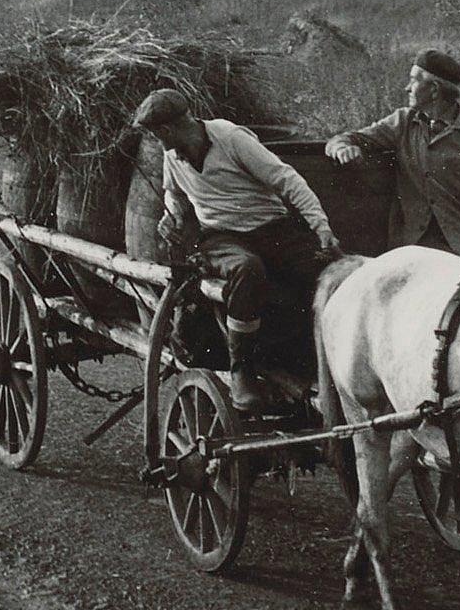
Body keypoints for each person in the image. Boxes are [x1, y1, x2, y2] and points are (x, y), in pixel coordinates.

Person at [132, 87, 341, 408]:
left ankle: (331, 360)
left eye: (154, 133)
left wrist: (321, 226)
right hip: (221, 237)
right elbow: (173, 195)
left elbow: (287, 179)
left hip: (273, 228)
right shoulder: (172, 156)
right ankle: (242, 369)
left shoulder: (230, 138)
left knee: (327, 270)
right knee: (246, 269)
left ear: (166, 130)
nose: (156, 140)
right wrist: (171, 217)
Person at [323, 49, 460, 263]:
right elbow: (346, 138)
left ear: (434, 90)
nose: (407, 88)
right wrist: (342, 148)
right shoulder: (403, 122)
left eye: (414, 81)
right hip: (413, 249)